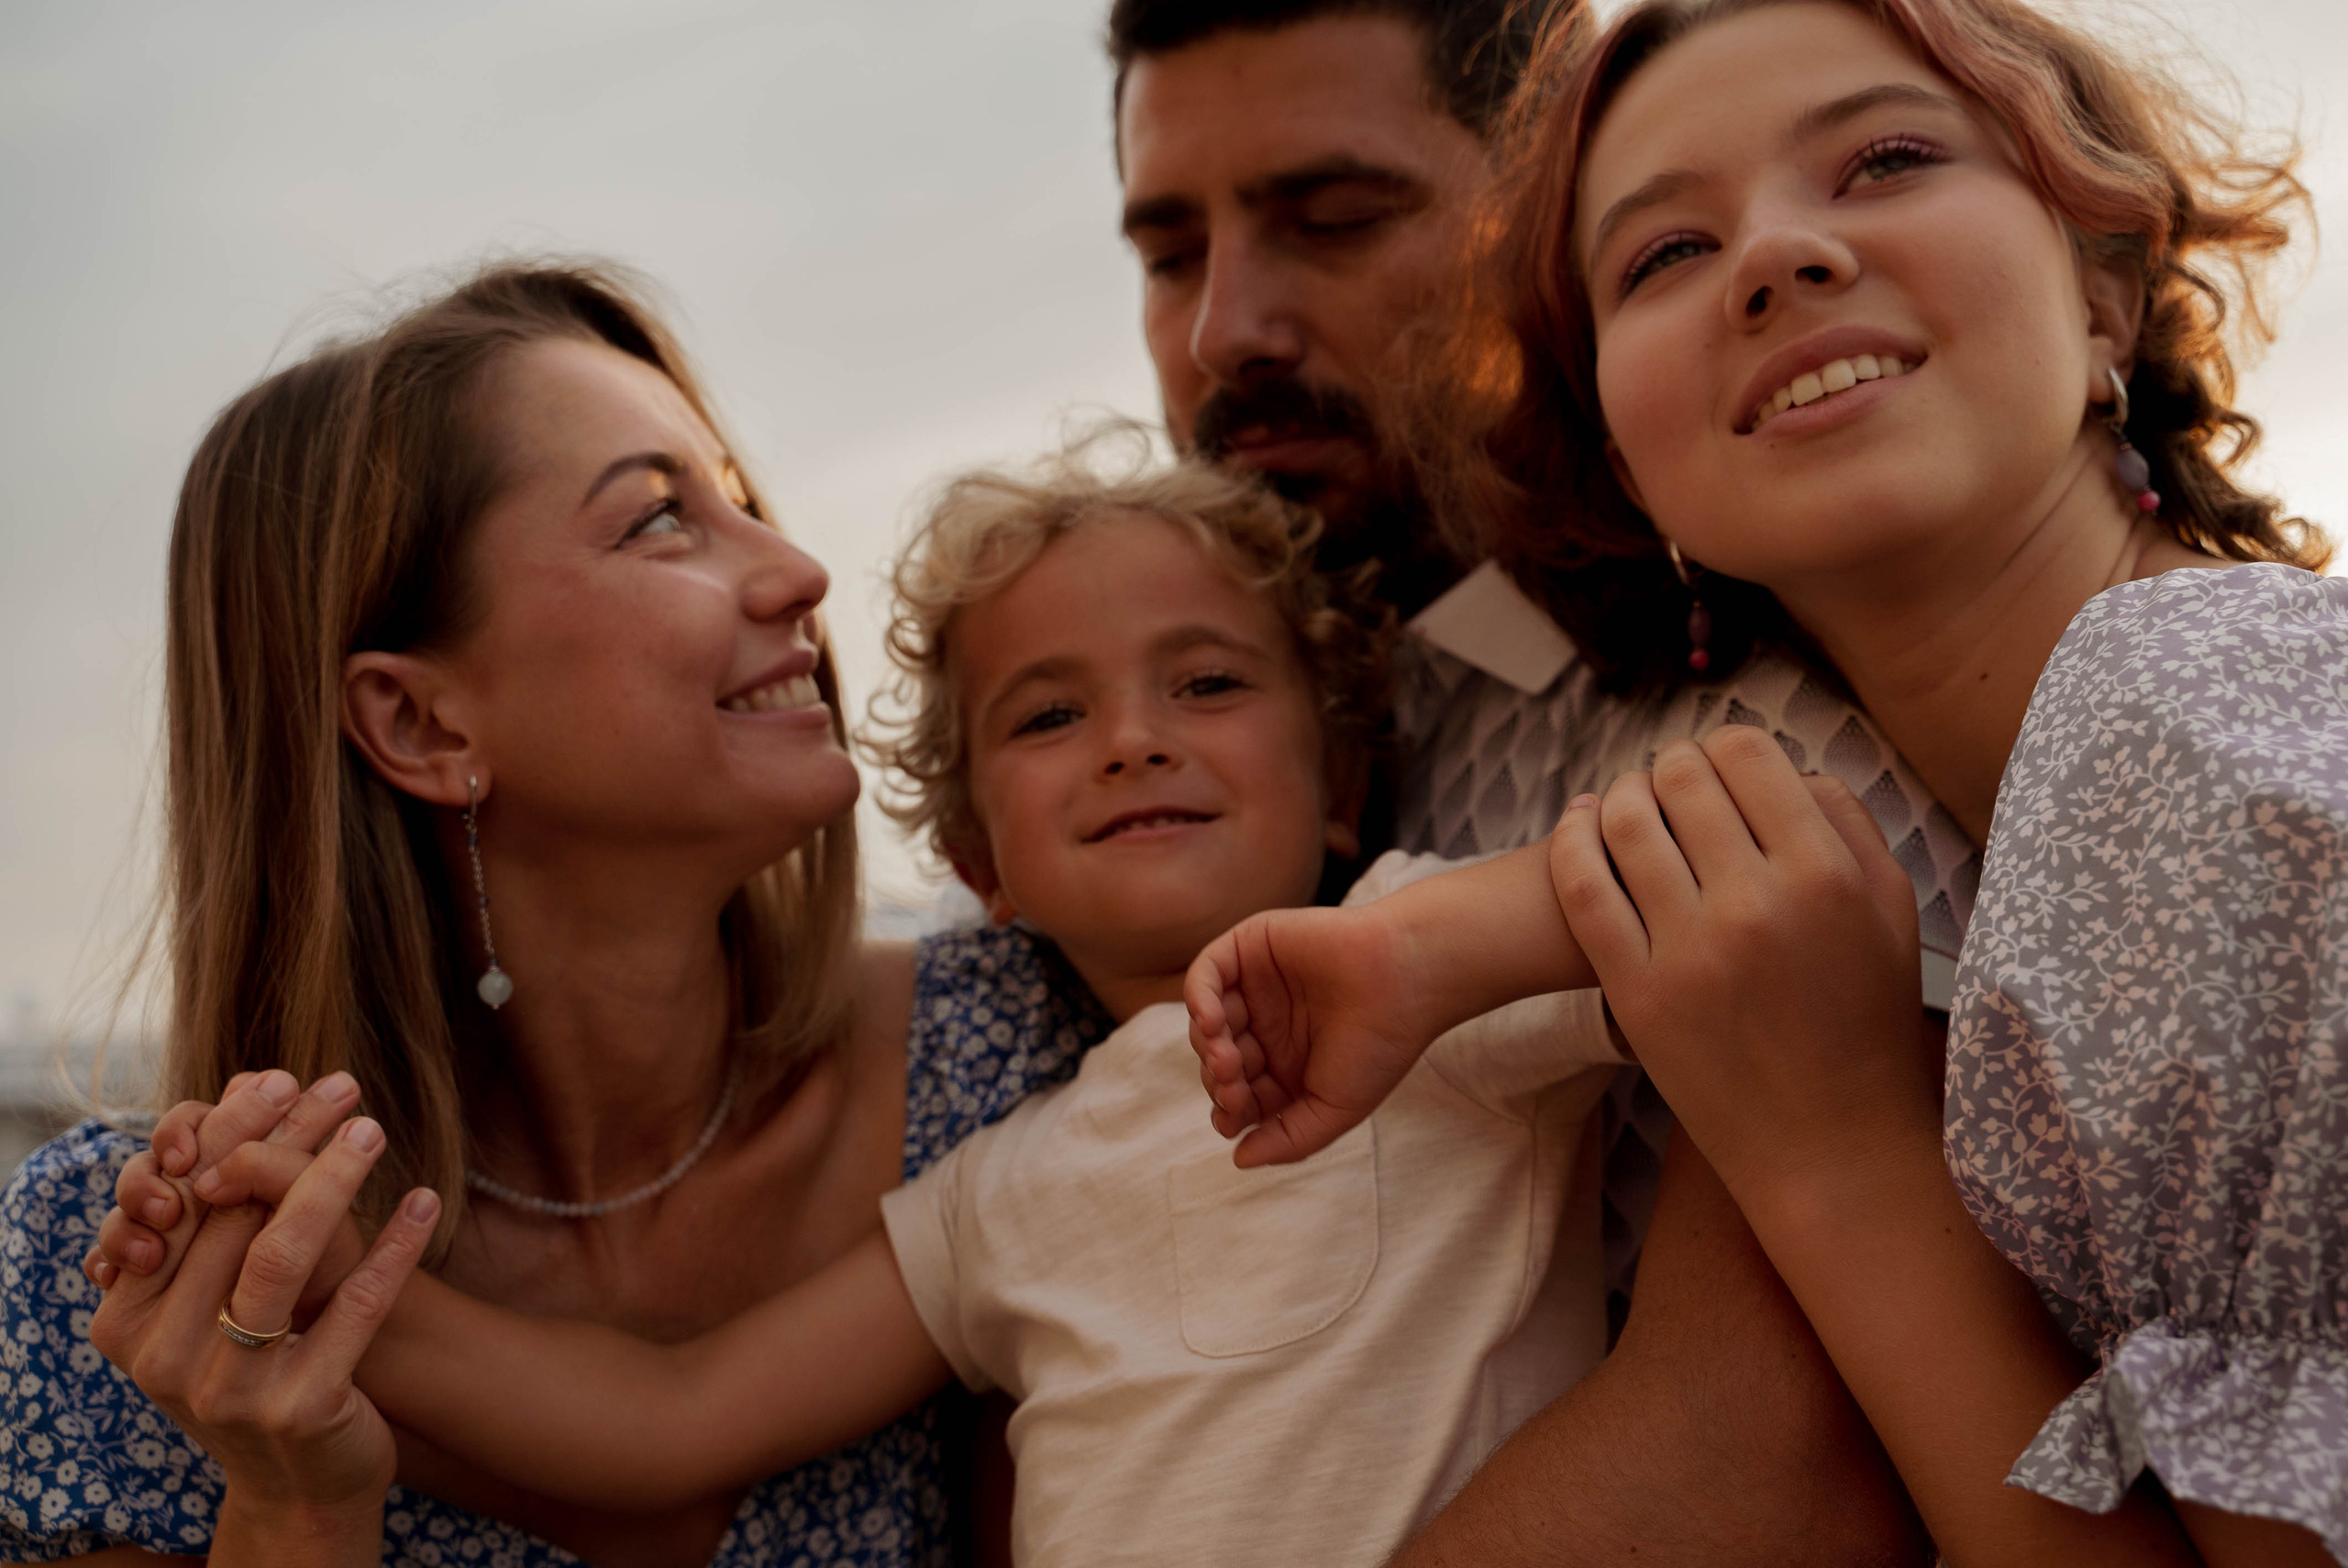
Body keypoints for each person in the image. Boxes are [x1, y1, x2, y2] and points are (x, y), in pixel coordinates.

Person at [1185, 0, 2342, 1562]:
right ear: (1626, 463)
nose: (1776, 258)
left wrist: (1839, 1147)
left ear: (2103, 299)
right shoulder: (2082, 778)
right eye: (1663, 255)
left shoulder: (2190, 725)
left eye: (1885, 159)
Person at [96, 447, 1631, 1566]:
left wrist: (1431, 954)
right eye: (1049, 713)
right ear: (979, 860)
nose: (1134, 740)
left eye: (1210, 684)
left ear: (1346, 775)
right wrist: (331, 1282)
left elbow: (1733, 886)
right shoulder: (1001, 1186)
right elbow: (673, 1414)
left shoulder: (1450, 968)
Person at [0, 264, 1112, 1565]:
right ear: (420, 722)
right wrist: (297, 1506)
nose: (800, 572)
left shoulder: (1009, 1059)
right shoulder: (131, 1274)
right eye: (657, 522)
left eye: (741, 500)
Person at [1110, 1, 1955, 1557]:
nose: (1226, 328)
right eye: (1170, 255)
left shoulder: (1795, 675)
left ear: (1548, 211)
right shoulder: (1269, 727)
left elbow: (1759, 1459)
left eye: (1334, 218)